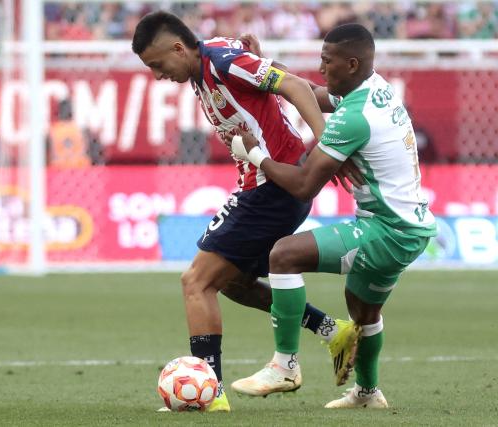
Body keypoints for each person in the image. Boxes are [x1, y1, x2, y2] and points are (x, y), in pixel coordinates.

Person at [132, 11, 362, 412]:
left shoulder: (221, 62)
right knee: (233, 283)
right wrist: (259, 56)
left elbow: (292, 85)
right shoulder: (214, 58)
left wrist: (328, 147)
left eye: (157, 64)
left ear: (178, 48)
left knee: (196, 282)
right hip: (267, 189)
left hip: (272, 188)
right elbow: (260, 78)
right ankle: (332, 331)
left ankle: (209, 391)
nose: (157, 74)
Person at [227, 23, 437, 408]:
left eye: (327, 61)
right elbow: (314, 93)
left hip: (386, 230)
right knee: (362, 309)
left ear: (351, 63)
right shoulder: (372, 89)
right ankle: (367, 393)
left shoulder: (354, 117)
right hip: (411, 228)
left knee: (283, 256)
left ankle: (285, 366)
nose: (321, 68)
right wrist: (262, 64)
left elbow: (305, 184)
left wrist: (254, 155)